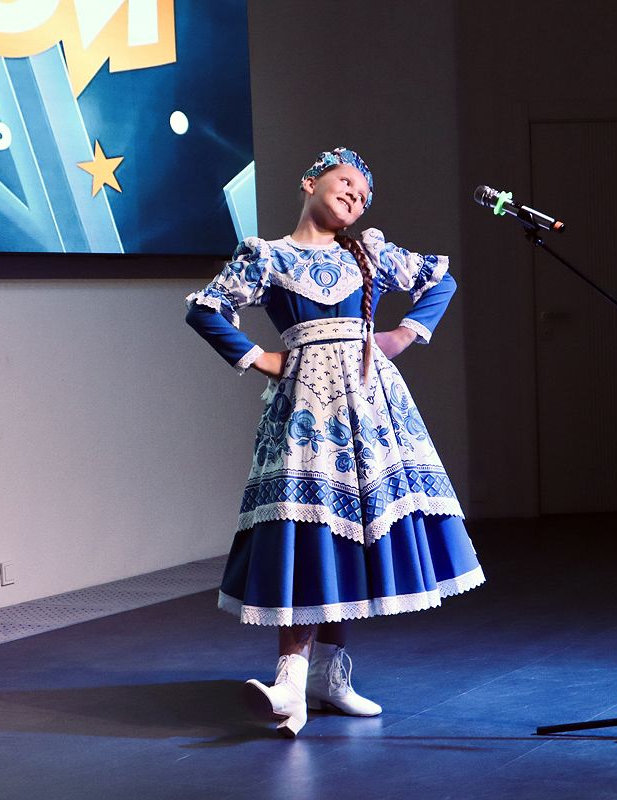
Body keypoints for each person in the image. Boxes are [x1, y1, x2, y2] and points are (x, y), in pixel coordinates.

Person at [185, 148, 484, 737]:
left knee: (355, 532)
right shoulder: (269, 256)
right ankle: (290, 684)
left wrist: (405, 333)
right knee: (309, 529)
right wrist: (260, 357)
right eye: (346, 182)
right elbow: (205, 309)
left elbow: (440, 278)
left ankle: (328, 677)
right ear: (310, 182)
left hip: (370, 408)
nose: (355, 196)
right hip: (307, 411)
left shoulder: (368, 252)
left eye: (363, 195)